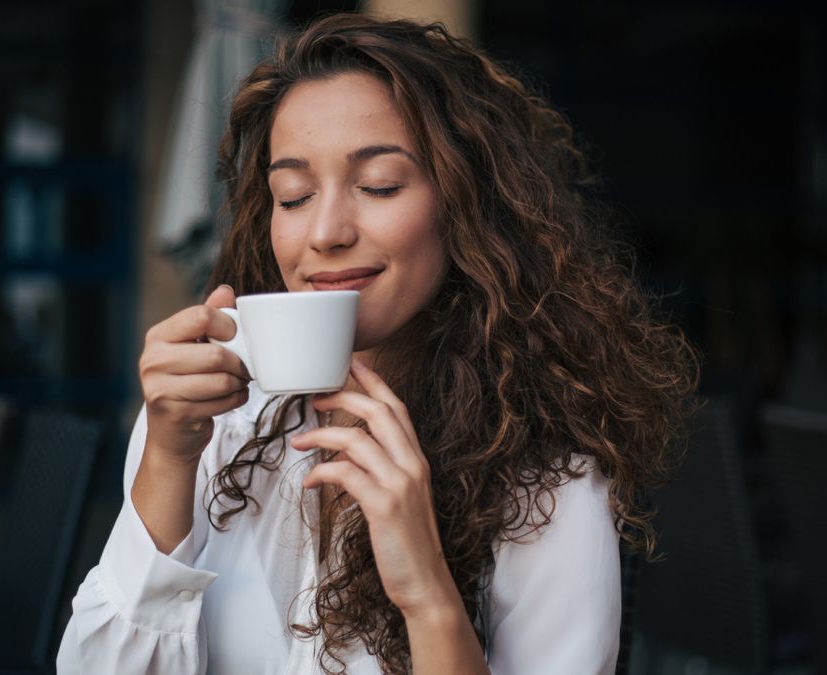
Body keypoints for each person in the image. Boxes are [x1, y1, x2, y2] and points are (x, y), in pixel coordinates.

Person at [57, 13, 696, 675]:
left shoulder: (545, 483)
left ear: (465, 203)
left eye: (380, 185)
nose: (326, 231)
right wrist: (165, 453)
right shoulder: (213, 426)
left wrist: (425, 586)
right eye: (294, 194)